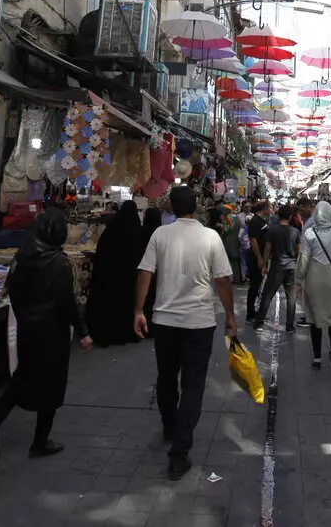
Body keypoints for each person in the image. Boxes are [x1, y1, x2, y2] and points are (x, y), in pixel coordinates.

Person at [133, 186, 236, 481]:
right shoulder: (210, 237)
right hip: (199, 323)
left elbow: (145, 273)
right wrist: (230, 316)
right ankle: (179, 453)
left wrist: (138, 310)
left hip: (165, 321)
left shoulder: (160, 234)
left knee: (166, 377)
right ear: (197, 207)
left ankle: (170, 426)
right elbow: (223, 280)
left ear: (171, 207)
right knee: (193, 385)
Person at [0, 210, 91, 460]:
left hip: (28, 329)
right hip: (53, 333)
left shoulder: (21, 257)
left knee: (21, 379)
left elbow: (12, 291)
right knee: (52, 385)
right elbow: (67, 303)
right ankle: (39, 442)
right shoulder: (59, 263)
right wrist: (82, 331)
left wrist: (25, 317)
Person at [297, 202, 331, 372]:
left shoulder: (309, 233)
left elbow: (303, 260)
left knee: (315, 320)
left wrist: (298, 281)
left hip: (313, 280)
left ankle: (317, 359)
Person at [85, 200, 143, 346]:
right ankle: (126, 332)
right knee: (125, 302)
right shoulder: (136, 230)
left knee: (109, 302)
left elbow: (101, 253)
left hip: (109, 277)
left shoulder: (112, 229)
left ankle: (107, 333)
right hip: (128, 278)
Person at [255, 205, 300, 332]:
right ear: (290, 217)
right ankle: (289, 326)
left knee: (268, 294)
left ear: (278, 216)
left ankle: (259, 322)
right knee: (291, 297)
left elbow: (267, 249)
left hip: (277, 266)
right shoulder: (295, 231)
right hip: (291, 266)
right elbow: (299, 250)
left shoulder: (272, 230)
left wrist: (264, 264)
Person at [245, 201, 271, 322]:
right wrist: (260, 259)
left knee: (258, 285)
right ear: (264, 209)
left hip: (261, 257)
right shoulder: (255, 221)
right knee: (254, 286)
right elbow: (253, 241)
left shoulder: (262, 221)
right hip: (255, 258)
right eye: (270, 207)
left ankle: (255, 311)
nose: (271, 209)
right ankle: (250, 314)